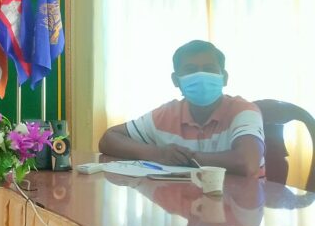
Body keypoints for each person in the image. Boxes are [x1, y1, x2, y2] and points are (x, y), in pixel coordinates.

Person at [98, 39, 263, 177]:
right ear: (176, 80)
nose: (200, 76)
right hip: (182, 201)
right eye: (190, 70)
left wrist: (186, 158)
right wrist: (158, 154)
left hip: (239, 202)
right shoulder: (166, 114)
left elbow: (247, 163)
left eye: (209, 69)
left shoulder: (243, 111)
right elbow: (109, 139)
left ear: (224, 78)